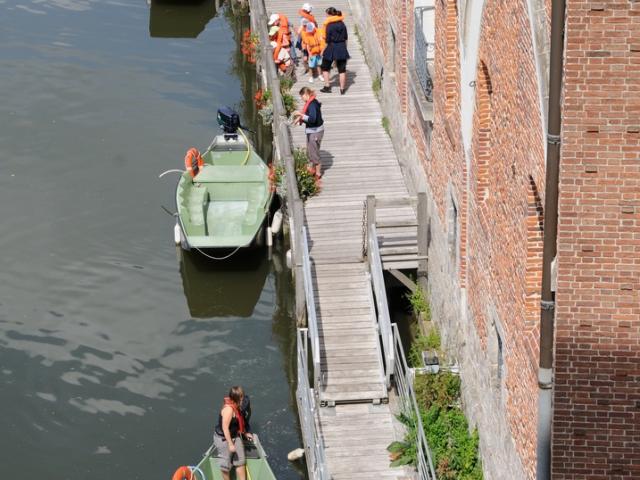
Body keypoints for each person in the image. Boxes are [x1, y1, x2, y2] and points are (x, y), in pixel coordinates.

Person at [213, 386, 253, 480]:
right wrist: (230, 444)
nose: (243, 399)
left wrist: (245, 433)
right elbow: (225, 428)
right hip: (224, 439)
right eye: (241, 397)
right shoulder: (229, 410)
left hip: (235, 436)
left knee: (240, 462)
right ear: (236, 398)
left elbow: (238, 423)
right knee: (225, 466)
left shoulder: (237, 406)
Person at [292, 87, 324, 177]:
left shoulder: (312, 105)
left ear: (306, 95)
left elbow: (312, 119)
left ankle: (318, 174)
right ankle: (313, 170)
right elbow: (308, 116)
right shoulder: (311, 102)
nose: (302, 99)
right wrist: (299, 119)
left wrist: (300, 115)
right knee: (310, 150)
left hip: (315, 132)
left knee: (314, 152)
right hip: (312, 131)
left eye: (302, 97)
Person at [320, 7, 349, 95]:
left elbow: (327, 40)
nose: (325, 16)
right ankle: (342, 89)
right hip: (341, 47)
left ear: (330, 15)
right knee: (342, 70)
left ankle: (327, 86)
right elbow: (346, 38)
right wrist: (345, 48)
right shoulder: (342, 24)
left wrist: (322, 50)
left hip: (331, 48)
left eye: (326, 14)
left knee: (325, 67)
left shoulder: (329, 25)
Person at [297, 3, 317, 72]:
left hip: (307, 37)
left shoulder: (306, 17)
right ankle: (309, 67)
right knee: (306, 54)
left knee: (307, 53)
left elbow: (298, 31)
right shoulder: (310, 17)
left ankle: (310, 68)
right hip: (305, 37)